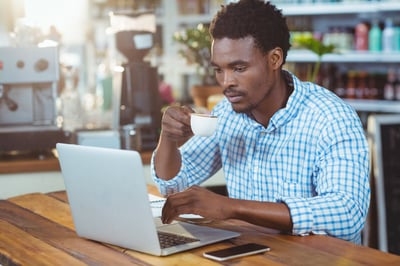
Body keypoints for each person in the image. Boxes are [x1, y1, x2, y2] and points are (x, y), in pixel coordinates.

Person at [151, 0, 370, 244]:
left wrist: (230, 207)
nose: (226, 82)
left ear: (275, 59)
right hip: (254, 255)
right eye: (219, 70)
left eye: (239, 68)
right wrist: (168, 140)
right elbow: (173, 185)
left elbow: (346, 214)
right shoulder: (227, 115)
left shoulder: (331, 118)